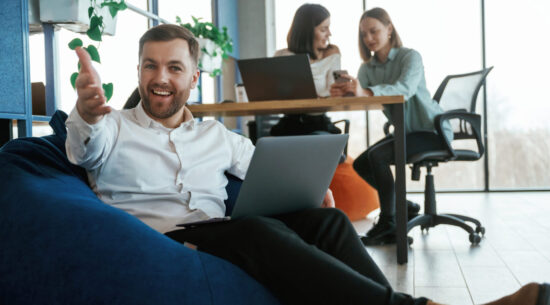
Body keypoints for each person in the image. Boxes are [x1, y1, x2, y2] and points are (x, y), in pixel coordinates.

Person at [66, 23, 549, 305]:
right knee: (257, 232)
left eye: (174, 67)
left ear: (194, 76)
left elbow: (263, 163)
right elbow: (83, 148)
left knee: (328, 221)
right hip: (160, 241)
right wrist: (86, 112)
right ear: (137, 72)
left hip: (220, 231)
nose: (161, 79)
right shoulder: (111, 127)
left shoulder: (214, 134)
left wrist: (308, 189)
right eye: (150, 66)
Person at [330, 7, 456, 246]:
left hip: (432, 131)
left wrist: (364, 91)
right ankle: (402, 206)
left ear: (389, 29)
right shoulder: (367, 69)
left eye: (374, 31)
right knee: (362, 163)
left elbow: (405, 89)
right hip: (407, 133)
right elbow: (362, 96)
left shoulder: (410, 57)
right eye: (364, 34)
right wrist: (344, 91)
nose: (368, 39)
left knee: (377, 157)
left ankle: (388, 223)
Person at [270, 3, 342, 136]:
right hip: (290, 122)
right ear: (307, 31)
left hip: (319, 122)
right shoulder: (282, 56)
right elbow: (273, 92)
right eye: (323, 29)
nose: (329, 34)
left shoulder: (332, 53)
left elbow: (335, 91)